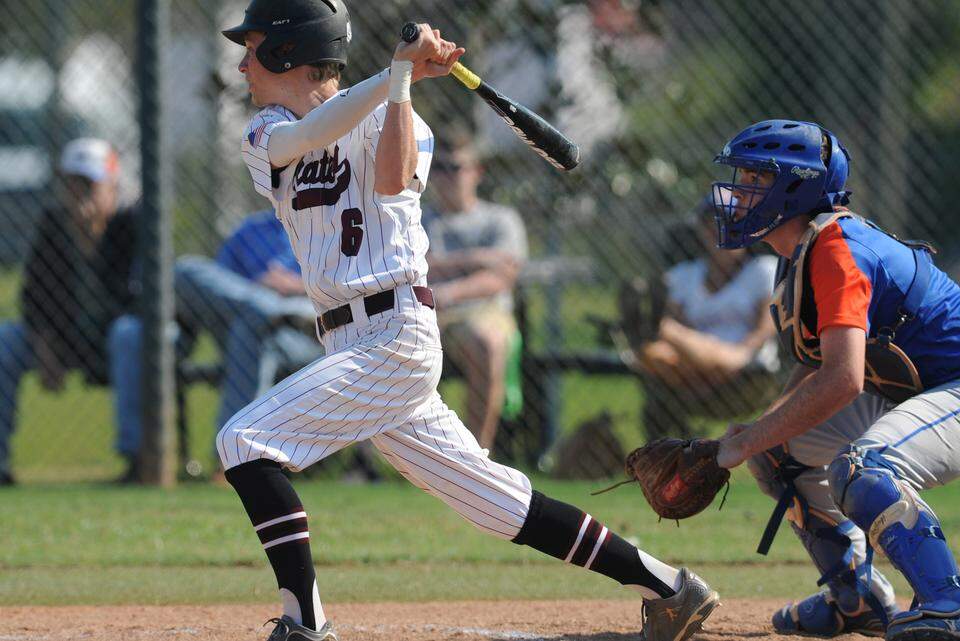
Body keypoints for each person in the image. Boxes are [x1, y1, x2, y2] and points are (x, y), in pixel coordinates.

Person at [218, 2, 718, 640]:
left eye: (254, 47)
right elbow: (306, 137)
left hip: (394, 335)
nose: (242, 62)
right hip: (347, 341)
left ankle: (304, 623)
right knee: (494, 500)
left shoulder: (403, 120)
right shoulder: (263, 131)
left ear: (288, 53)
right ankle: (670, 588)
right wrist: (394, 73)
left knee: (245, 443)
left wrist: (400, 82)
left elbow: (394, 181)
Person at [707, 119, 960, 641]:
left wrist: (742, 443)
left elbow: (842, 380)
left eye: (755, 178)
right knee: (776, 451)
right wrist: (748, 438)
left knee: (862, 468)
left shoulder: (837, 248)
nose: (738, 192)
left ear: (796, 187)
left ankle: (953, 609)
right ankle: (855, 598)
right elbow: (817, 365)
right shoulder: (802, 254)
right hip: (914, 393)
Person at [0, 137, 141, 485]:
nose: (78, 194)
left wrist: (92, 237)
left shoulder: (133, 223)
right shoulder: (53, 224)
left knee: (129, 333)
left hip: (117, 337)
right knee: (6, 339)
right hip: (64, 339)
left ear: (112, 186)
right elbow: (34, 294)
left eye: (89, 185)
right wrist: (44, 343)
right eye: (71, 184)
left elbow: (141, 299)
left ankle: (138, 459)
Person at [630, 192, 781, 440]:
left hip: (745, 369)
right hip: (690, 367)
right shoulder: (683, 276)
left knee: (663, 338)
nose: (719, 231)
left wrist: (737, 355)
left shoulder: (763, 270)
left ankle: (656, 326)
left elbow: (765, 330)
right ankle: (651, 333)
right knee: (652, 354)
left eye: (730, 222)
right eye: (711, 223)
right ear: (700, 229)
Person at [174, 209, 322, 437]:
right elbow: (220, 283)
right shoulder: (250, 230)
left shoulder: (327, 223)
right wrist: (259, 287)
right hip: (248, 316)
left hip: (308, 334)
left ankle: (232, 457)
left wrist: (297, 286)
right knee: (186, 269)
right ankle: (271, 308)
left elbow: (352, 283)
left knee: (250, 331)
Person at [423, 132, 527, 449]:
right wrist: (477, 258)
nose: (446, 176)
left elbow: (502, 277)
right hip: (427, 315)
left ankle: (476, 455)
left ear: (476, 172)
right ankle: (368, 461)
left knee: (488, 340)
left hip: (484, 312)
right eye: (438, 167)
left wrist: (448, 288)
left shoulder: (500, 219)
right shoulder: (417, 217)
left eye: (455, 167)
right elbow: (411, 268)